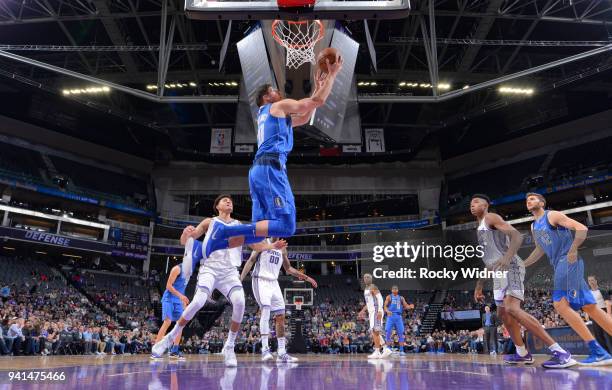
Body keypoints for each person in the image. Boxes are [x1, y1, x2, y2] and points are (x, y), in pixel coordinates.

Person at [202, 57, 343, 258]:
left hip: (259, 171)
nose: (280, 92)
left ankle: (215, 245)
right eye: (275, 90)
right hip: (270, 169)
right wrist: (332, 74)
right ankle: (224, 230)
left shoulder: (269, 114)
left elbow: (304, 116)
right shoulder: (278, 106)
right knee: (286, 226)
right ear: (268, 97)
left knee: (257, 234)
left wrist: (317, 88)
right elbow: (316, 102)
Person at [152, 194, 287, 367]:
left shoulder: (239, 225)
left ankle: (229, 346)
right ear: (217, 206)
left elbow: (255, 246)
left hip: (229, 271)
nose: (229, 201)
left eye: (230, 200)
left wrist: (271, 246)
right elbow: (186, 242)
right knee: (198, 301)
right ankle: (170, 337)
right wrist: (185, 235)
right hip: (210, 268)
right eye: (224, 200)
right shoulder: (209, 222)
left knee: (240, 302)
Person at [471, 194, 576, 368]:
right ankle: (522, 353)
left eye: (476, 202)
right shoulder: (479, 229)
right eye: (471, 203)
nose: (472, 206)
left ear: (486, 205)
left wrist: (507, 257)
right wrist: (479, 284)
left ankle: (561, 352)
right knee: (503, 315)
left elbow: (517, 237)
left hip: (510, 266)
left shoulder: (491, 218)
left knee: (512, 308)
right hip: (498, 274)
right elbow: (489, 260)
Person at [524, 192, 612, 365]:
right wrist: (523, 263)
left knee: (560, 304)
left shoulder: (552, 215)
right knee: (591, 308)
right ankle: (600, 353)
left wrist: (573, 248)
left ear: (542, 203)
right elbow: (539, 250)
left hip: (568, 260)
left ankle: (597, 351)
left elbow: (581, 228)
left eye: (533, 199)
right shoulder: (534, 227)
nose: (529, 201)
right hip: (559, 264)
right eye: (527, 200)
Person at [241, 238, 317, 362]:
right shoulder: (262, 242)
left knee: (281, 316)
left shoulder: (282, 247)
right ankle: (265, 349)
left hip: (274, 282)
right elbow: (251, 260)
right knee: (265, 310)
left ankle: (281, 352)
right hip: (260, 279)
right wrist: (240, 279)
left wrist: (306, 277)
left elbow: (288, 269)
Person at [152, 252, 197, 360]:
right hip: (169, 299)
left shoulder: (189, 272)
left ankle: (174, 351)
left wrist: (183, 301)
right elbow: (168, 286)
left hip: (179, 300)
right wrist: (181, 297)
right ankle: (155, 350)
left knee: (180, 324)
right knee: (167, 322)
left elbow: (182, 288)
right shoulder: (177, 269)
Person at [358, 274, 392, 359]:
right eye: (365, 277)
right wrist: (362, 310)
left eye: (368, 277)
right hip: (371, 312)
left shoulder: (373, 286)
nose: (366, 278)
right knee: (375, 332)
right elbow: (368, 302)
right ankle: (385, 348)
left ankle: (377, 351)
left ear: (371, 279)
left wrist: (380, 311)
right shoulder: (366, 289)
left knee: (375, 331)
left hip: (376, 311)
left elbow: (380, 298)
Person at [383, 285, 413, 356]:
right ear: (391, 290)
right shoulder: (389, 297)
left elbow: (406, 306)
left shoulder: (401, 298)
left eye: (396, 289)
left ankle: (402, 350)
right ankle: (388, 349)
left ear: (398, 290)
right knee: (388, 332)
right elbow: (385, 306)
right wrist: (387, 311)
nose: (395, 290)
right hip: (390, 316)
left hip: (398, 316)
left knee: (401, 334)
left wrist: (410, 306)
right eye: (393, 289)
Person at [587, 275, 612, 354]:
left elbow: (607, 302)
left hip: (604, 312)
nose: (591, 282)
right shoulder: (589, 293)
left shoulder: (602, 290)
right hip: (594, 315)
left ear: (596, 281)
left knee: (608, 334)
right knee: (598, 336)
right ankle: (606, 354)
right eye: (589, 281)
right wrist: (587, 313)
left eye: (592, 280)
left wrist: (608, 314)